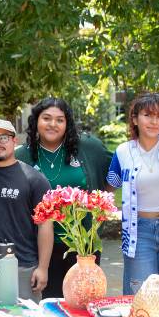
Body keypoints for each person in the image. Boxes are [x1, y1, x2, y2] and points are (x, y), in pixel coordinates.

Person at [14, 98, 112, 299]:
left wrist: (102, 202)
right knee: (49, 304)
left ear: (67, 124)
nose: (53, 124)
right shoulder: (22, 156)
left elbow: (115, 172)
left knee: (83, 303)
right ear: (36, 122)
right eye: (46, 118)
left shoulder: (89, 148)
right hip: (39, 248)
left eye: (60, 120)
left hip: (83, 247)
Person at [106, 93, 159, 294]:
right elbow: (110, 187)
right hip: (139, 231)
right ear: (135, 119)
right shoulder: (123, 151)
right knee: (140, 298)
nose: (155, 122)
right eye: (148, 115)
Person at [0, 119, 53, 302]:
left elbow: (45, 226)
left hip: (22, 268)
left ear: (14, 141)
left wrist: (43, 268)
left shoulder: (35, 179)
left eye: (3, 138)